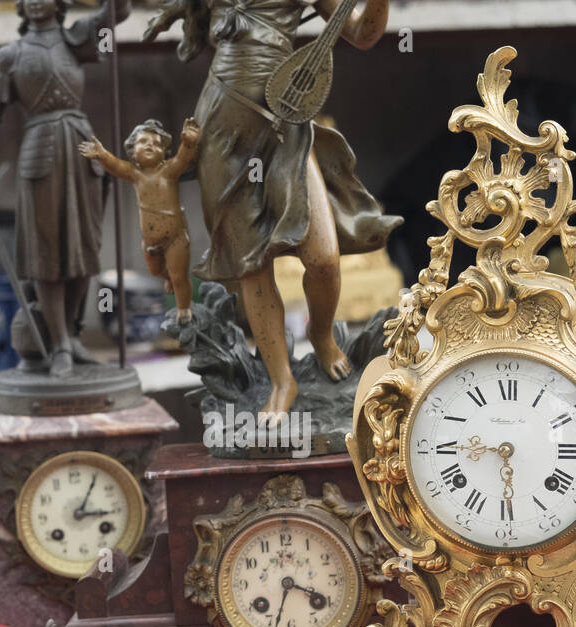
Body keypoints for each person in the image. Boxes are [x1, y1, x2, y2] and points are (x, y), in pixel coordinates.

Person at [146, 0, 401, 416]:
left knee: (322, 258)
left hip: (287, 120)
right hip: (222, 127)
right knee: (251, 262)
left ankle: (320, 336)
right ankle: (282, 380)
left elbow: (361, 33)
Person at [0, 0, 132, 377]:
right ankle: (58, 345)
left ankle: (72, 334)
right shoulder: (10, 55)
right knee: (47, 252)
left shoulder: (78, 40)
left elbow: (116, 14)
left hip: (83, 147)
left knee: (85, 248)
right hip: (40, 151)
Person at [79, 118, 199, 323]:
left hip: (176, 238)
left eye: (156, 143)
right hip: (150, 241)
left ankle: (184, 309)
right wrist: (102, 155)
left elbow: (183, 159)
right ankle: (167, 276)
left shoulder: (169, 171)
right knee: (155, 271)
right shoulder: (135, 174)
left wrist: (188, 143)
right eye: (143, 142)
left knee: (180, 277)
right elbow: (116, 166)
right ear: (133, 151)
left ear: (164, 152)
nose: (150, 145)